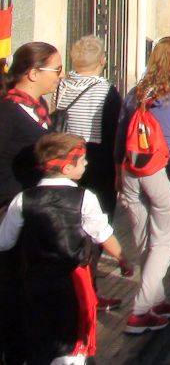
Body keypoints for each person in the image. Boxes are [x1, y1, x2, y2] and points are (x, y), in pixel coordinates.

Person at [0, 133, 134, 363]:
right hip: (72, 284)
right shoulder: (85, 198)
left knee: (41, 341)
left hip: (34, 284)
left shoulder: (22, 200)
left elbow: (5, 242)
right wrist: (123, 258)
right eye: (82, 160)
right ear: (66, 167)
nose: (87, 164)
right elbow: (103, 234)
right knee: (71, 343)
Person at [114, 36, 170, 333]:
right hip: (162, 171)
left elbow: (119, 134)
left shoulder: (135, 92)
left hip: (130, 170)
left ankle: (155, 297)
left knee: (143, 238)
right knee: (164, 241)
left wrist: (118, 170)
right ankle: (139, 311)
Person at [55, 36, 123, 310]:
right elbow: (112, 134)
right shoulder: (106, 90)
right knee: (95, 228)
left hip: (67, 160)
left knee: (71, 227)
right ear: (102, 61)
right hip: (96, 164)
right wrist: (118, 170)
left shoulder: (62, 86)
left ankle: (76, 288)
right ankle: (88, 292)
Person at [0, 42, 58, 363]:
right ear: (33, 73)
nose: (60, 77)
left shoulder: (40, 108)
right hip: (10, 210)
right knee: (13, 293)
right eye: (56, 70)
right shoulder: (7, 111)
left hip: (35, 211)